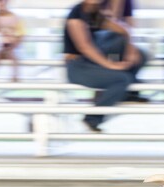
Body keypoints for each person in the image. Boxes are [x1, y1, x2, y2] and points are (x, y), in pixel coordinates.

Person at [63, 0, 148, 133]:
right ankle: (92, 117)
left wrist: (130, 51)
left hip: (92, 63)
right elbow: (84, 47)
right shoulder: (76, 13)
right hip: (77, 67)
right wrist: (110, 65)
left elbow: (124, 30)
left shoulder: (95, 13)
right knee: (122, 79)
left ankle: (126, 93)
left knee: (140, 54)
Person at [0, 0, 25, 82]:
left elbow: (21, 34)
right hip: (1, 45)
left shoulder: (15, 17)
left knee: (12, 55)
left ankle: (15, 76)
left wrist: (15, 42)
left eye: (3, 1)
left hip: (11, 45)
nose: (1, 4)